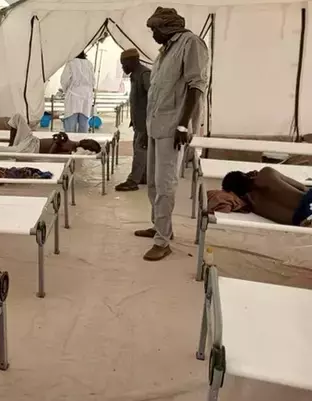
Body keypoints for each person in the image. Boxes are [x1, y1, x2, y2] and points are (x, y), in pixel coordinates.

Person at [134, 7, 209, 261]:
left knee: (165, 184)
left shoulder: (191, 44)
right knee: (154, 183)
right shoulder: (165, 51)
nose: (153, 34)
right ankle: (160, 226)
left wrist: (183, 125)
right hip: (156, 125)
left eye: (154, 29)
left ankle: (162, 241)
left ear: (167, 27)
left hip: (173, 127)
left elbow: (196, 86)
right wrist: (145, 129)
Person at [0, 114, 101, 155]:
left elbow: (50, 157)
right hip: (32, 140)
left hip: (31, 149)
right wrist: (59, 139)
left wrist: (57, 143)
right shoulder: (71, 143)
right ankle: (11, 144)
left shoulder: (70, 151)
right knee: (17, 117)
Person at [221, 167, 312, 226]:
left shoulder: (252, 205)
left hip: (303, 218)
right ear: (246, 175)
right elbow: (303, 188)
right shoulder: (266, 173)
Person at [115, 48, 151, 192]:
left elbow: (153, 101)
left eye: (124, 64)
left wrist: (148, 127)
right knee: (141, 149)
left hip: (145, 122)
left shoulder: (144, 74)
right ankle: (143, 176)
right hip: (139, 121)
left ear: (132, 61)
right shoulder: (136, 75)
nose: (123, 67)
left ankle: (133, 181)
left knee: (140, 150)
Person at [60, 51, 95, 133]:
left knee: (70, 124)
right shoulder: (89, 64)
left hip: (73, 95)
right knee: (84, 123)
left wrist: (66, 90)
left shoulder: (71, 63)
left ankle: (70, 140)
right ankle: (83, 140)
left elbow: (64, 80)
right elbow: (93, 81)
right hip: (87, 96)